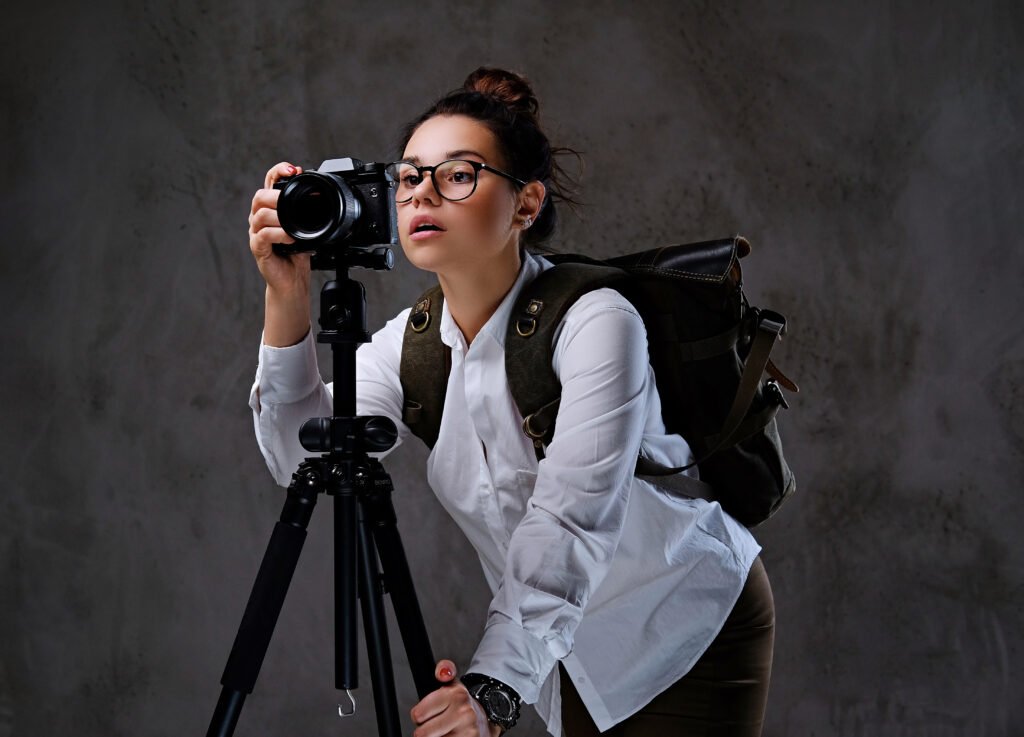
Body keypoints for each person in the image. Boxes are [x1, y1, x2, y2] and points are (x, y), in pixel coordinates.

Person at [247, 67, 774, 737]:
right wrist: (284, 297)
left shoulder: (596, 322)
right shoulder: (411, 346)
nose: (421, 195)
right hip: (565, 647)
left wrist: (493, 689)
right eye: (409, 176)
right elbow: (301, 454)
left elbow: (570, 519)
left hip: (686, 620)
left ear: (525, 205)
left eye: (458, 174)